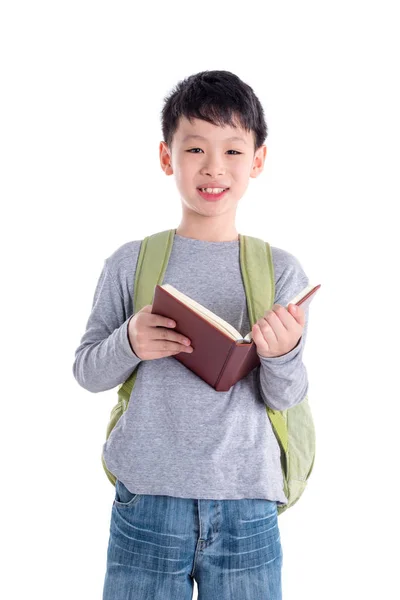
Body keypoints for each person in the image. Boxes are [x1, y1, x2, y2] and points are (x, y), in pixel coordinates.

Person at [73, 70, 310, 600]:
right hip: (148, 502)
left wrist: (282, 353)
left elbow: (287, 397)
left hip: (248, 504)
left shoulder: (280, 271)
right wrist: (130, 342)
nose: (213, 167)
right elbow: (87, 371)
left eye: (232, 150)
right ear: (166, 158)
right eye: (195, 148)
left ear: (258, 160)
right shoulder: (131, 262)